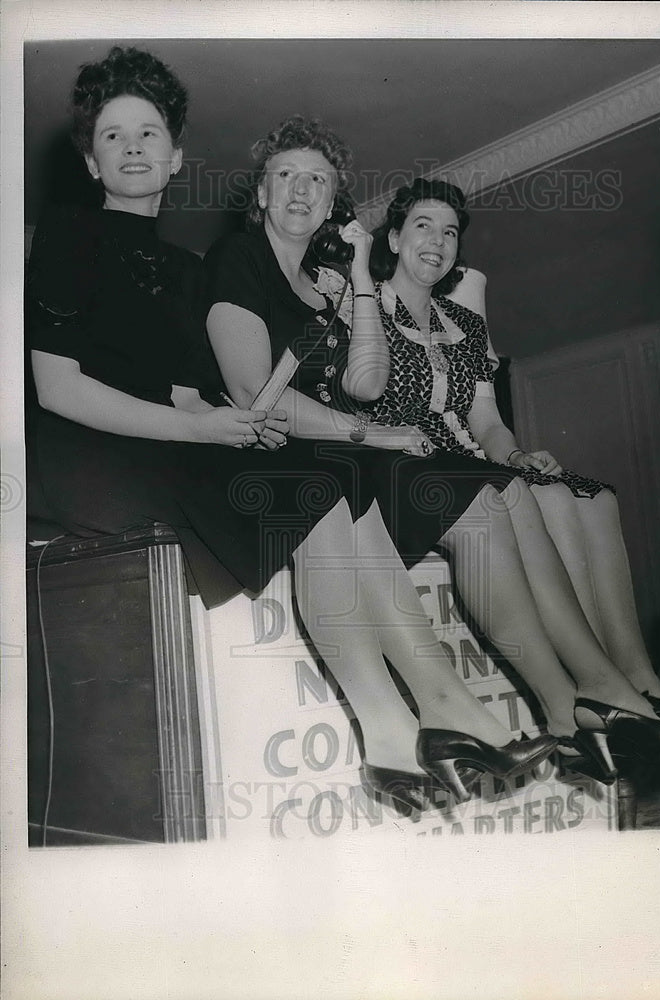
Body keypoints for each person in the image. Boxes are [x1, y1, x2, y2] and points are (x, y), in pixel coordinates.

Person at [27, 51, 554, 817]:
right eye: (113, 136)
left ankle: (428, 715)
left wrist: (227, 424)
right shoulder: (68, 239)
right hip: (88, 450)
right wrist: (202, 430)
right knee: (312, 476)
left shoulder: (186, 266)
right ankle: (414, 725)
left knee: (330, 471)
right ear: (89, 158)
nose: (134, 147)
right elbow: (58, 387)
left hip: (168, 438)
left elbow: (180, 381)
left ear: (176, 156)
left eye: (149, 132)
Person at [204, 118, 660, 790]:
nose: (302, 191)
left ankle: (593, 692)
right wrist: (372, 419)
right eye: (286, 176)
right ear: (259, 194)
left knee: (535, 492)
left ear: (335, 204)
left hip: (363, 457)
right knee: (485, 495)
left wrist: (349, 285)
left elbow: (375, 388)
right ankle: (576, 696)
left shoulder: (328, 287)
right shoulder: (255, 266)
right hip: (339, 461)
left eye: (318, 180)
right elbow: (278, 396)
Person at [364, 177, 660, 756]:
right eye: (423, 226)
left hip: (478, 459)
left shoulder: (466, 324)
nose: (438, 241)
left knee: (588, 495)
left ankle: (637, 679)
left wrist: (518, 454)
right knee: (528, 497)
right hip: (418, 466)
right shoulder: (368, 305)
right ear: (396, 236)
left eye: (450, 231)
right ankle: (596, 685)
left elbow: (487, 420)